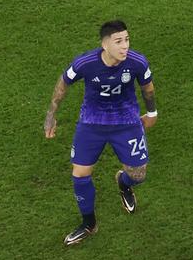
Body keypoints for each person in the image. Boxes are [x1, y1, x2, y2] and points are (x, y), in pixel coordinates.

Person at [44, 20, 157, 246]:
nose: (125, 46)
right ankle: (89, 223)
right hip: (92, 124)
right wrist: (51, 114)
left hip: (126, 122)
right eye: (118, 41)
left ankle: (123, 183)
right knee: (80, 175)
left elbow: (147, 87)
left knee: (138, 176)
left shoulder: (137, 62)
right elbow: (63, 83)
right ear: (105, 45)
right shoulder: (85, 63)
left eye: (127, 40)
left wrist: (152, 112)